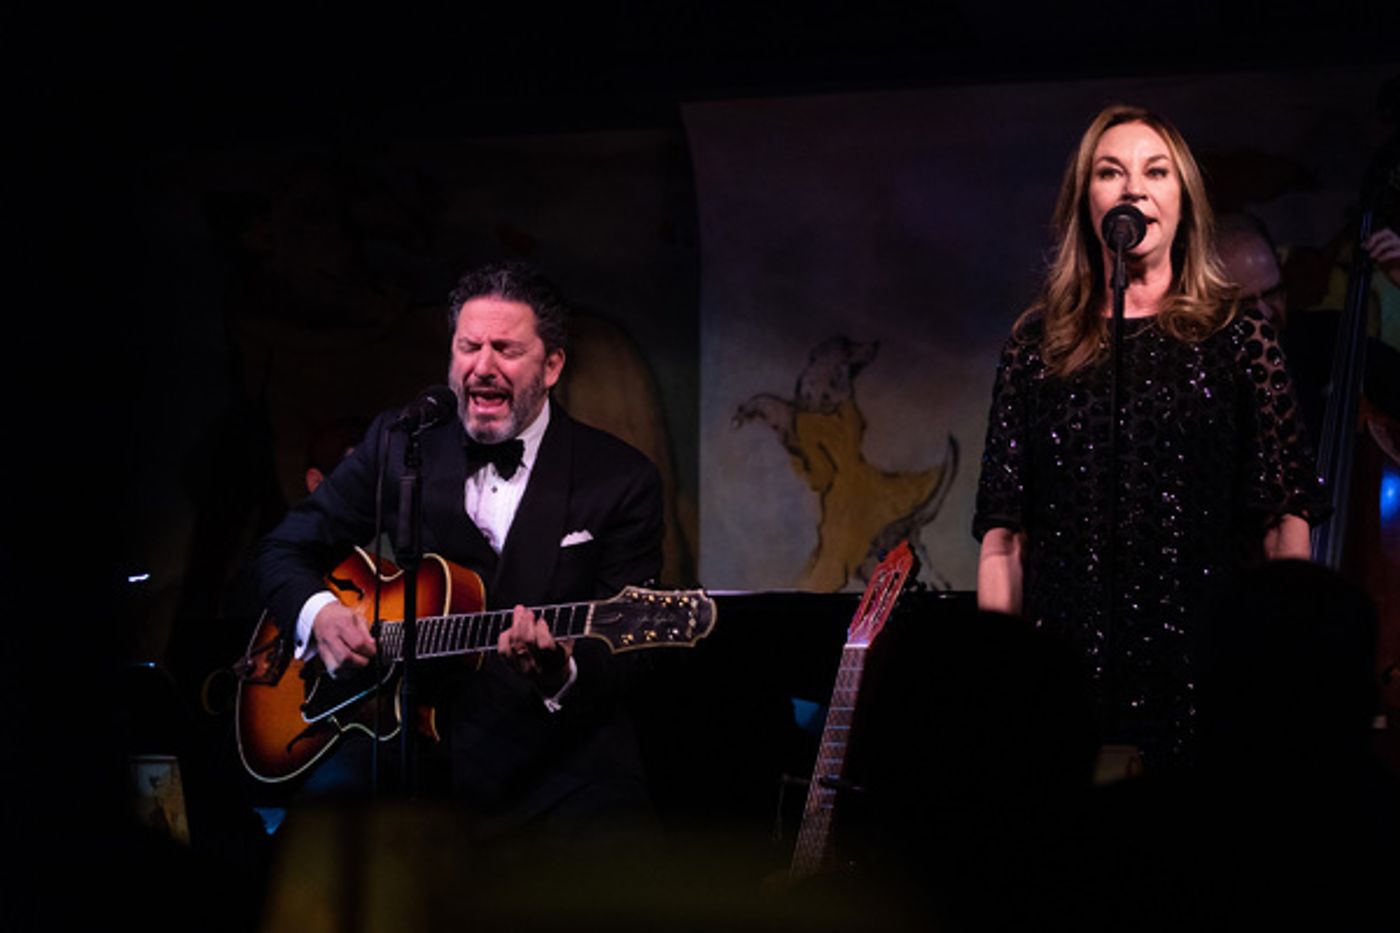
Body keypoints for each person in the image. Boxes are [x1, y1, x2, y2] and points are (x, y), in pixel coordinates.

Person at [253, 261, 664, 842]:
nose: (482, 366)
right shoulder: (400, 444)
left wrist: (560, 669)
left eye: (506, 349)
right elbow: (283, 548)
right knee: (306, 848)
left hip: (564, 764)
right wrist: (318, 612)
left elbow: (634, 658)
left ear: (552, 366)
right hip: (414, 750)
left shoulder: (621, 479)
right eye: (469, 346)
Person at [972, 105, 1328, 770]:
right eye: (1111, 172)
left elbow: (1286, 519)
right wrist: (1004, 679)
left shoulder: (1239, 341)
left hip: (1207, 675)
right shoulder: (1036, 349)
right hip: (1065, 681)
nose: (1133, 187)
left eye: (1155, 171)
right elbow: (1004, 535)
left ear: (1183, 201)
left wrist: (1282, 669)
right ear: (1087, 203)